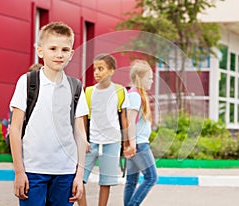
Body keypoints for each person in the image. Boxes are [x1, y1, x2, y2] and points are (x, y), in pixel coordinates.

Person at [9, 21, 88, 206]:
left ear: (71, 54)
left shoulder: (75, 87)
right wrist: (19, 172)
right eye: (53, 48)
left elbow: (80, 132)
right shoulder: (27, 82)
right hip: (33, 170)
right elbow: (15, 129)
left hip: (66, 171)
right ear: (40, 51)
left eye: (65, 49)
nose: (59, 54)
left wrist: (79, 174)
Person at [78, 54, 129, 206]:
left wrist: (126, 143)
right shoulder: (88, 92)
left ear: (112, 71)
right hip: (91, 142)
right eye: (95, 69)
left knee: (105, 182)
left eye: (101, 69)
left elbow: (124, 119)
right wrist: (83, 140)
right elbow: (84, 119)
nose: (97, 73)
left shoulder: (120, 91)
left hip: (112, 142)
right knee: (78, 178)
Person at [123, 60, 158, 206]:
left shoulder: (135, 94)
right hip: (139, 144)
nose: (152, 81)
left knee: (132, 181)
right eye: (149, 78)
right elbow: (130, 121)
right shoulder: (135, 95)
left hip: (135, 143)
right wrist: (132, 145)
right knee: (151, 178)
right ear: (140, 78)